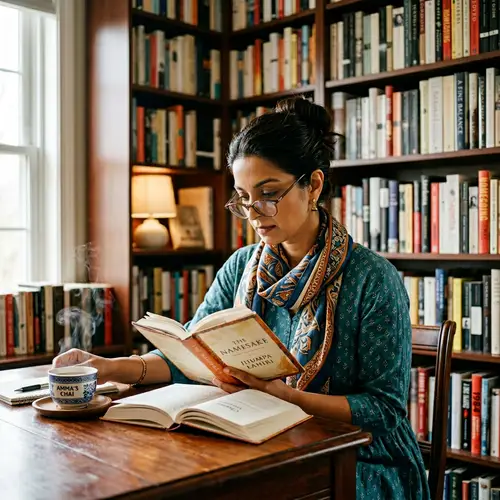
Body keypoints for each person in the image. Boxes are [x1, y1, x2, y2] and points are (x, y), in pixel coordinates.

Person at [53, 97, 430, 500]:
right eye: (243, 198)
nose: (254, 212)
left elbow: (385, 410)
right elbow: (192, 355)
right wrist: (109, 369)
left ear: (313, 185)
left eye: (268, 194)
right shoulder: (241, 266)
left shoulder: (372, 279)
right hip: (259, 439)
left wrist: (287, 397)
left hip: (359, 458)